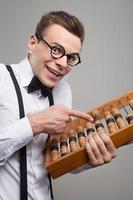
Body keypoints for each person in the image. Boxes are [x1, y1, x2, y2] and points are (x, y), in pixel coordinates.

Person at [0, 11, 116, 200]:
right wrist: (35, 124)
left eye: (71, 57)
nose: (63, 63)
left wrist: (89, 158)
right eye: (56, 49)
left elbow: (53, 159)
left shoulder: (64, 91)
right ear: (32, 43)